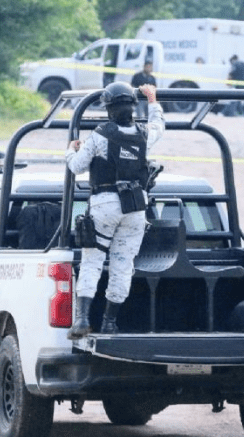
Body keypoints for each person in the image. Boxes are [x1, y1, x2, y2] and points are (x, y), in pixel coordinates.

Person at [65, 82, 164, 339]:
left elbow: (76, 167)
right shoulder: (144, 133)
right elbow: (159, 126)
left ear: (109, 109)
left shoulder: (100, 134)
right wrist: (152, 99)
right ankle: (110, 323)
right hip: (135, 207)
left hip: (104, 203)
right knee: (122, 265)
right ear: (133, 106)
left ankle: (83, 320)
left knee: (92, 261)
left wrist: (69, 151)